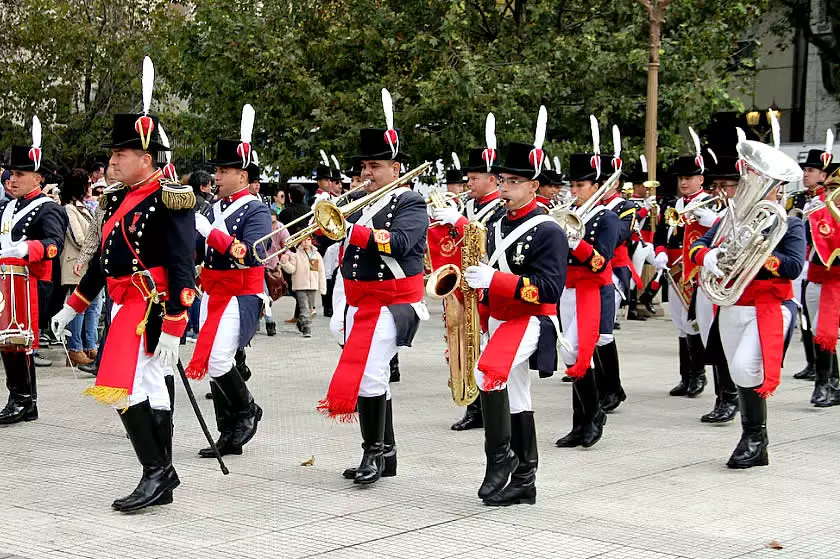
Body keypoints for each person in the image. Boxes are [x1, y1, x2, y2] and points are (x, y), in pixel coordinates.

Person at [51, 58, 196, 512]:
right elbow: (102, 263)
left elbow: (181, 267)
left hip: (150, 309)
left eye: (121, 155)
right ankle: (161, 475)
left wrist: (175, 325)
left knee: (128, 390)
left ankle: (157, 472)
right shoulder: (118, 198)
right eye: (112, 155)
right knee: (148, 388)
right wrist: (74, 306)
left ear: (147, 159)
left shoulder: (169, 199)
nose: (112, 161)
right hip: (124, 304)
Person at [320, 89, 428, 486]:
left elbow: (400, 243)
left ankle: (372, 453)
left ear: (396, 166)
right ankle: (387, 453)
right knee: (374, 374)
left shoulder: (410, 201)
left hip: (393, 303)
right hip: (358, 303)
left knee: (368, 375)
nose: (367, 173)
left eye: (376, 166)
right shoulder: (363, 204)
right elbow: (340, 244)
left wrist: (352, 229)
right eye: (364, 166)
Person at [464, 116, 568, 506]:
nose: (504, 189)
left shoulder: (548, 231)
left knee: (487, 374)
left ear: (534, 186)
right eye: (503, 181)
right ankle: (525, 478)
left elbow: (550, 288)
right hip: (502, 319)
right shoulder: (495, 223)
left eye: (513, 182)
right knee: (517, 397)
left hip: (532, 318)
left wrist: (495, 280)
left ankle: (499, 458)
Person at [691, 140, 805, 467]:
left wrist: (758, 248)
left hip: (769, 306)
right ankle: (755, 440)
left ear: (777, 189)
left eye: (763, 181)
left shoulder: (790, 223)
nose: (755, 186)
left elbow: (794, 266)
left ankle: (755, 436)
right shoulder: (730, 218)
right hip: (732, 304)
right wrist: (709, 255)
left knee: (745, 366)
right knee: (736, 370)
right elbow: (699, 245)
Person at [188, 104, 269, 458]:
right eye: (217, 171)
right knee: (210, 362)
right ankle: (229, 433)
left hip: (240, 293)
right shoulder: (212, 208)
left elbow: (253, 253)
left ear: (242, 174)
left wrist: (211, 234)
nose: (216, 177)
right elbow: (197, 250)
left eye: (224, 170)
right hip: (212, 290)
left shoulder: (255, 209)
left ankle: (247, 410)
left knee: (221, 360)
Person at [430, 119, 506, 432]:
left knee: (483, 349)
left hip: (488, 289)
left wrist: (458, 221)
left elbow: (488, 242)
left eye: (474, 178)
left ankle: (489, 408)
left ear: (492, 178)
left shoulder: (500, 207)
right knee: (460, 348)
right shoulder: (469, 205)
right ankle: (472, 404)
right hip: (460, 288)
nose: (468, 183)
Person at [0, 117, 67, 424]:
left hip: (31, 280)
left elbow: (54, 245)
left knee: (17, 340)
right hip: (6, 281)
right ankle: (26, 401)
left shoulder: (48, 207)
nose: (10, 179)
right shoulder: (7, 207)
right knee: (9, 341)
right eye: (9, 174)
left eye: (18, 174)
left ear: (38, 178)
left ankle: (22, 399)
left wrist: (26, 248)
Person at [555, 148, 619, 449]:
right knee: (570, 351)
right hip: (567, 291)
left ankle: (593, 416)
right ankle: (580, 422)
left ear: (596, 186)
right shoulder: (571, 213)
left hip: (592, 291)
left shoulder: (606, 218)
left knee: (575, 351)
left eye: (581, 185)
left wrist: (575, 243)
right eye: (573, 185)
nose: (574, 190)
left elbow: (601, 261)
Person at [652, 143, 716, 398]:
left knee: (696, 323)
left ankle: (699, 375)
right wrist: (658, 251)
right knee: (680, 324)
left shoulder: (710, 203)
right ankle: (686, 376)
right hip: (673, 267)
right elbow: (661, 233)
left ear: (700, 179)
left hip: (695, 268)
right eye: (681, 178)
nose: (684, 183)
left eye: (688, 178)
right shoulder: (672, 203)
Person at [790, 140, 834, 382]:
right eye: (805, 170)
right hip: (801, 262)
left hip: (817, 263)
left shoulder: (828, 201)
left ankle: (823, 369)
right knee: (805, 315)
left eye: (810, 171)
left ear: (823, 175)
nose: (805, 174)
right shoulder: (797, 199)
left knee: (817, 319)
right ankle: (811, 362)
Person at [802, 165, 840, 406]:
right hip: (815, 276)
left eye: (835, 189)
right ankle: (833, 383)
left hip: (836, 280)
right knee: (818, 333)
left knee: (823, 330)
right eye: (828, 188)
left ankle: (823, 385)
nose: (831, 194)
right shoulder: (817, 210)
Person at [59, 168, 101, 367]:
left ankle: (90, 345)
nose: (91, 186)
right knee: (79, 308)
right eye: (88, 183)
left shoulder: (83, 207)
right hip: (77, 264)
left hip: (89, 264)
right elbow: (79, 238)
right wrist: (96, 245)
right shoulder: (69, 208)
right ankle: (74, 349)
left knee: (93, 307)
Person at [280, 236, 326, 337]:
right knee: (304, 307)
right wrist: (285, 263)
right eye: (303, 240)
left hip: (312, 286)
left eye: (308, 240)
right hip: (300, 285)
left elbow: (320, 272)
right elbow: (292, 269)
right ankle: (307, 328)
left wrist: (322, 287)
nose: (306, 242)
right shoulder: (296, 255)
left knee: (309, 308)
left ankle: (301, 322)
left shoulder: (316, 255)